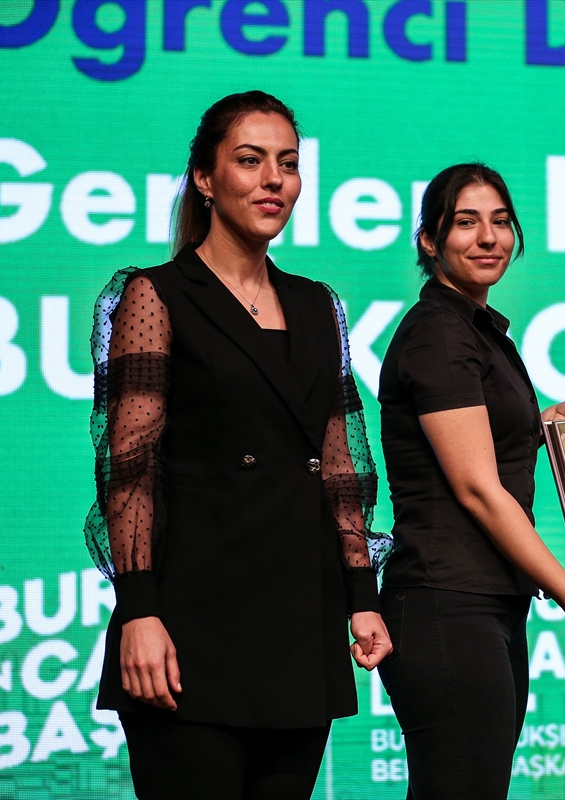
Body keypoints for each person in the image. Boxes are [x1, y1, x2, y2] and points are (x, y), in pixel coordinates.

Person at [85, 90, 392, 800]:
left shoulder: (318, 304)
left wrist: (362, 597)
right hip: (190, 622)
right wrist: (140, 610)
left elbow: (341, 466)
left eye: (288, 163)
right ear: (204, 177)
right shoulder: (156, 294)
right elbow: (129, 466)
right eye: (250, 161)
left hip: (299, 624)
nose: (273, 180)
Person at [376, 163, 565, 800]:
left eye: (501, 221)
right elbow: (477, 488)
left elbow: (466, 444)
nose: (489, 237)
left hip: (483, 603)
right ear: (429, 240)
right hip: (445, 602)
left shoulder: (473, 328)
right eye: (466, 222)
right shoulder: (439, 332)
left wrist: (539, 426)